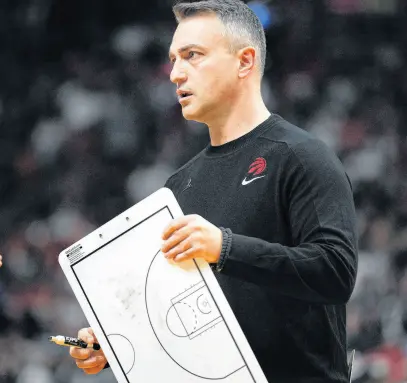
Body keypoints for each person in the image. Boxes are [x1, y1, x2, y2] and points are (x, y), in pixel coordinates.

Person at [69, 1, 358, 382]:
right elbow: (179, 315)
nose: (175, 73)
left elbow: (336, 271)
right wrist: (117, 344)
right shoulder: (178, 185)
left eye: (192, 56)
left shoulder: (300, 157)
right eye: (173, 60)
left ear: (245, 61)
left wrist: (225, 247)